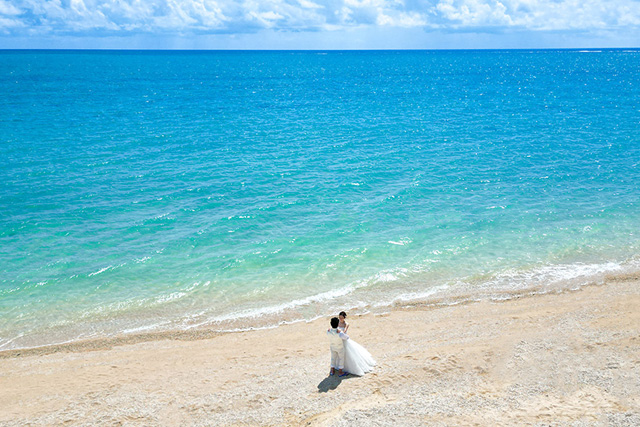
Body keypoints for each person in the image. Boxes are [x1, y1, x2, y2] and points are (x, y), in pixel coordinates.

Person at [337, 311, 376, 376]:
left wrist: (339, 331)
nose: (340, 319)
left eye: (341, 318)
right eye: (339, 318)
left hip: (344, 340)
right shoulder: (337, 323)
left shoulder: (346, 324)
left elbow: (344, 331)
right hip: (338, 341)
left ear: (344, 318)